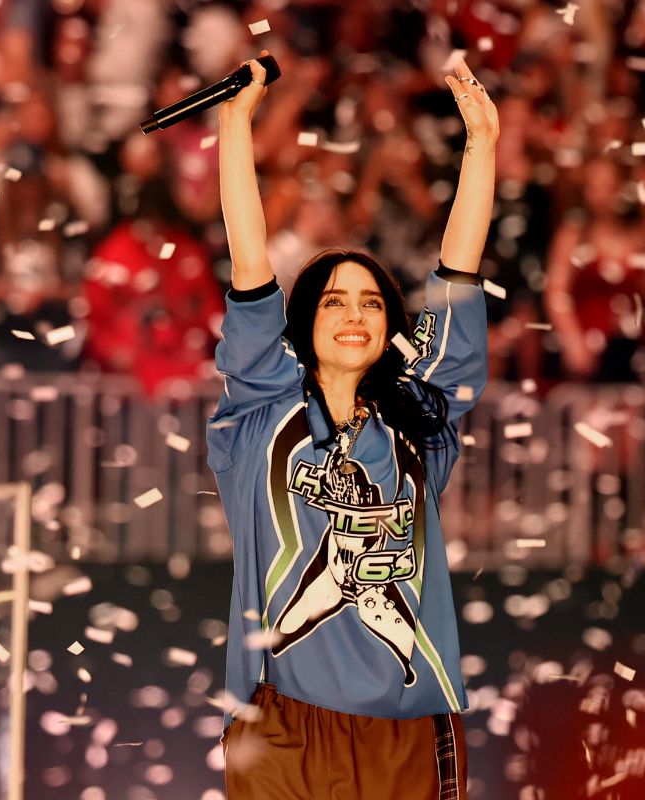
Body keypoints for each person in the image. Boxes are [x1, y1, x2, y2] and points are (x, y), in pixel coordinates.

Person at [206, 50, 497, 799]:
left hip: (403, 731)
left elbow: (457, 275)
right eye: (334, 300)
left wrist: (482, 148)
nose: (355, 313)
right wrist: (236, 128)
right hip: (278, 727)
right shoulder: (261, 412)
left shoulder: (419, 424)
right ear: (301, 325)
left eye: (371, 302)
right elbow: (249, 265)